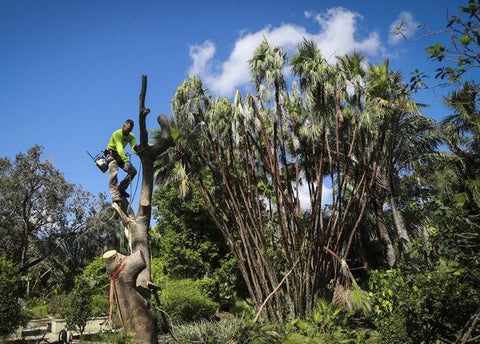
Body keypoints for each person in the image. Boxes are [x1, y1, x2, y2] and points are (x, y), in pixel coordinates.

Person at [105, 119, 138, 203]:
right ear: (124, 126)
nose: (128, 131)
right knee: (114, 171)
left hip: (120, 156)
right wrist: (125, 160)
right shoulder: (117, 133)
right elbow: (119, 148)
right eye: (127, 129)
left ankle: (122, 188)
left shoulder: (131, 136)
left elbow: (134, 147)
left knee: (133, 171)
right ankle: (115, 195)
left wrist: (140, 151)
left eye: (130, 130)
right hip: (111, 154)